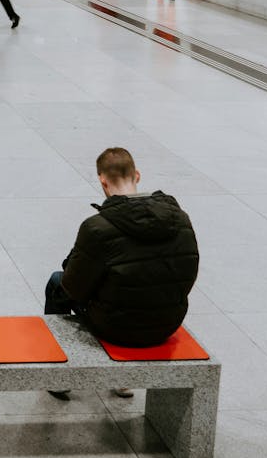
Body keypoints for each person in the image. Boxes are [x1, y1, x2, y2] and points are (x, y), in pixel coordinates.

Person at [44, 147, 199, 400]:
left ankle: (59, 376)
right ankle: (124, 382)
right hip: (167, 323)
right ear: (137, 175)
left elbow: (73, 287)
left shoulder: (97, 227)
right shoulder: (180, 218)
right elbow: (189, 272)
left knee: (56, 283)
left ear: (102, 181)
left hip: (114, 326)